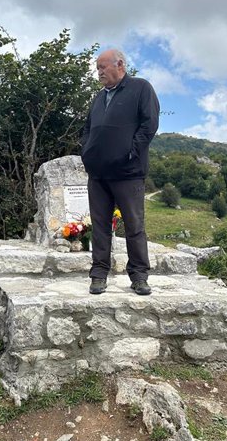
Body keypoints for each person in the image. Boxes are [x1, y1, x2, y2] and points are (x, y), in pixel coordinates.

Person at [80, 49, 160, 296]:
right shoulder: (98, 98)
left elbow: (149, 125)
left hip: (129, 173)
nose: (99, 72)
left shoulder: (140, 88)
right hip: (98, 174)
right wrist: (87, 153)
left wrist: (130, 153)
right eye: (97, 68)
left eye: (103, 67)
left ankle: (138, 276)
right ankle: (98, 274)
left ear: (120, 65)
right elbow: (87, 129)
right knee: (100, 225)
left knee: (134, 225)